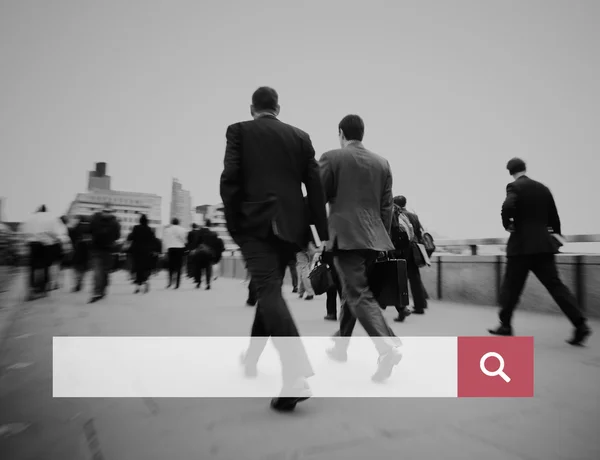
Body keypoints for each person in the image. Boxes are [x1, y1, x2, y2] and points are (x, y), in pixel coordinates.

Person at [220, 86, 328, 412]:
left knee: (268, 291)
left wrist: (234, 224)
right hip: (290, 228)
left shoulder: (238, 131)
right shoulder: (300, 137)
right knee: (270, 294)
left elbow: (230, 179)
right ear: (277, 108)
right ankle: (251, 359)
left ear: (253, 107)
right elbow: (315, 187)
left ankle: (295, 375)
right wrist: (318, 233)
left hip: (255, 225)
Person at [319, 114, 403, 382]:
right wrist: (382, 239)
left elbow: (317, 199)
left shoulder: (332, 158)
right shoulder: (382, 163)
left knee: (357, 292)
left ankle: (386, 346)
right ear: (362, 133)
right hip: (373, 238)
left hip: (345, 236)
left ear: (341, 133)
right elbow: (387, 206)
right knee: (352, 290)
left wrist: (317, 234)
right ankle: (341, 346)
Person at [488, 158, 591, 346]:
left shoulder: (514, 187)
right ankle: (580, 324)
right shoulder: (543, 188)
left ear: (510, 171)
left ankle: (505, 325)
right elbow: (554, 217)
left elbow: (507, 207)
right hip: (543, 247)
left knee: (511, 288)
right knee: (556, 286)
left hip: (520, 247)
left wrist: (508, 225)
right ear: (524, 169)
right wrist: (555, 238)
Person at [20, 205, 70, 300]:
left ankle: (31, 289)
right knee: (45, 266)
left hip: (32, 245)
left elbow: (22, 232)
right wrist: (64, 246)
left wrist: (24, 245)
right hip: (46, 245)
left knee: (32, 267)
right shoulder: (52, 218)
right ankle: (42, 289)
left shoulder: (30, 218)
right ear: (46, 211)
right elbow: (60, 233)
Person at [392, 195, 428, 319]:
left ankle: (402, 306)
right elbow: (419, 233)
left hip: (402, 250)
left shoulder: (397, 215)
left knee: (399, 278)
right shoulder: (414, 216)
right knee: (415, 277)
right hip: (414, 249)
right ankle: (420, 305)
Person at [88, 203, 121, 303]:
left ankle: (101, 290)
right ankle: (97, 291)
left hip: (107, 250)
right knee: (98, 271)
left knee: (104, 272)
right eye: (105, 212)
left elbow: (117, 236)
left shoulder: (115, 223)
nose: (107, 214)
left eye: (108, 212)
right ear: (102, 211)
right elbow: (117, 236)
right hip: (98, 249)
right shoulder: (97, 220)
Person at [189, 219, 224, 290]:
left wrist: (193, 250)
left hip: (199, 253)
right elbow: (215, 245)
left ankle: (198, 282)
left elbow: (195, 243)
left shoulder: (199, 232)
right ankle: (208, 284)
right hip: (208, 254)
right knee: (208, 268)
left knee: (198, 268)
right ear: (210, 224)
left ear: (205, 224)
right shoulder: (213, 234)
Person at [127, 214, 158, 293]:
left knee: (137, 268)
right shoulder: (150, 229)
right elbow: (153, 241)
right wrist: (153, 250)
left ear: (140, 220)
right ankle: (145, 281)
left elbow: (131, 237)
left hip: (137, 251)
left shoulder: (136, 228)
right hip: (146, 252)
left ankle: (138, 286)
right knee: (145, 268)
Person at [69, 215, 92, 292]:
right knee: (83, 267)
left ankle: (77, 282)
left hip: (78, 249)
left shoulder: (77, 226)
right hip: (87, 250)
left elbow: (71, 236)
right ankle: (81, 280)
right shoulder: (90, 227)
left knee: (76, 267)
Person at [163, 218, 187, 289]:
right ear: (178, 222)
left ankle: (170, 282)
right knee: (179, 266)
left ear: (172, 222)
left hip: (171, 248)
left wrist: (165, 249)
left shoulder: (167, 230)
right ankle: (177, 284)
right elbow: (184, 240)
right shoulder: (182, 229)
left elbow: (165, 240)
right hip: (179, 248)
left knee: (171, 266)